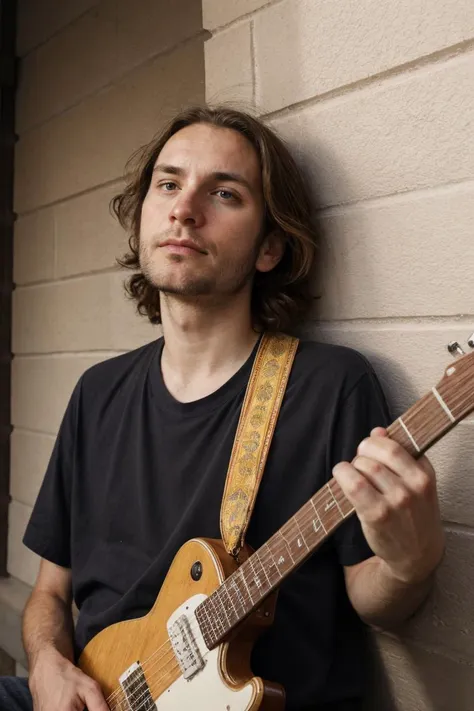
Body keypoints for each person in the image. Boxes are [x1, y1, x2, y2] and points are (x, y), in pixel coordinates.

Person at [0, 106, 444, 711]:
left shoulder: (327, 386)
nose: (185, 208)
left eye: (224, 193)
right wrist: (49, 665)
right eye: (168, 184)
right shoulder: (96, 393)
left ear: (269, 248)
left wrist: (409, 562)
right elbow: (50, 593)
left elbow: (375, 599)